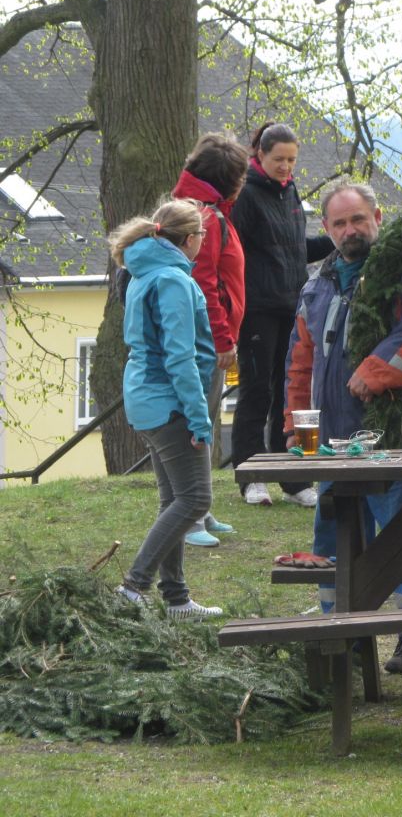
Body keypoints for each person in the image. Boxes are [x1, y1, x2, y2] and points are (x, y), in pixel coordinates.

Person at [284, 181, 402, 675]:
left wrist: (374, 372)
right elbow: (300, 362)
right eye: (339, 223)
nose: (349, 230)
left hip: (391, 437)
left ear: (377, 217)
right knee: (332, 541)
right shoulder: (316, 286)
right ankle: (342, 636)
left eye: (358, 219)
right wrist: (294, 423)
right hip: (332, 442)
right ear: (327, 229)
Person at [110, 199, 224, 620]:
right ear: (191, 239)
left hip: (144, 397)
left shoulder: (141, 272)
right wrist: (199, 417)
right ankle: (132, 587)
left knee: (173, 498)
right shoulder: (173, 280)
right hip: (168, 401)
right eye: (203, 236)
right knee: (195, 499)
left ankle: (176, 599)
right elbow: (180, 357)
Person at [230, 122, 334, 508]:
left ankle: (296, 478)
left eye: (292, 160)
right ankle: (251, 477)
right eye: (279, 159)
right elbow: (234, 252)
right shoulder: (246, 195)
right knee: (257, 392)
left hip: (295, 307)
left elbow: (295, 248)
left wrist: (336, 239)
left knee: (296, 395)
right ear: (260, 154)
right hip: (258, 310)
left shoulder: (290, 191)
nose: (286, 166)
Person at [173, 133, 248, 547]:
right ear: (229, 181)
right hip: (203, 342)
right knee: (195, 426)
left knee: (204, 422)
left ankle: (201, 507)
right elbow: (205, 286)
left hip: (207, 339)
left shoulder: (205, 212)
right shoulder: (204, 220)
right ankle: (191, 518)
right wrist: (222, 340)